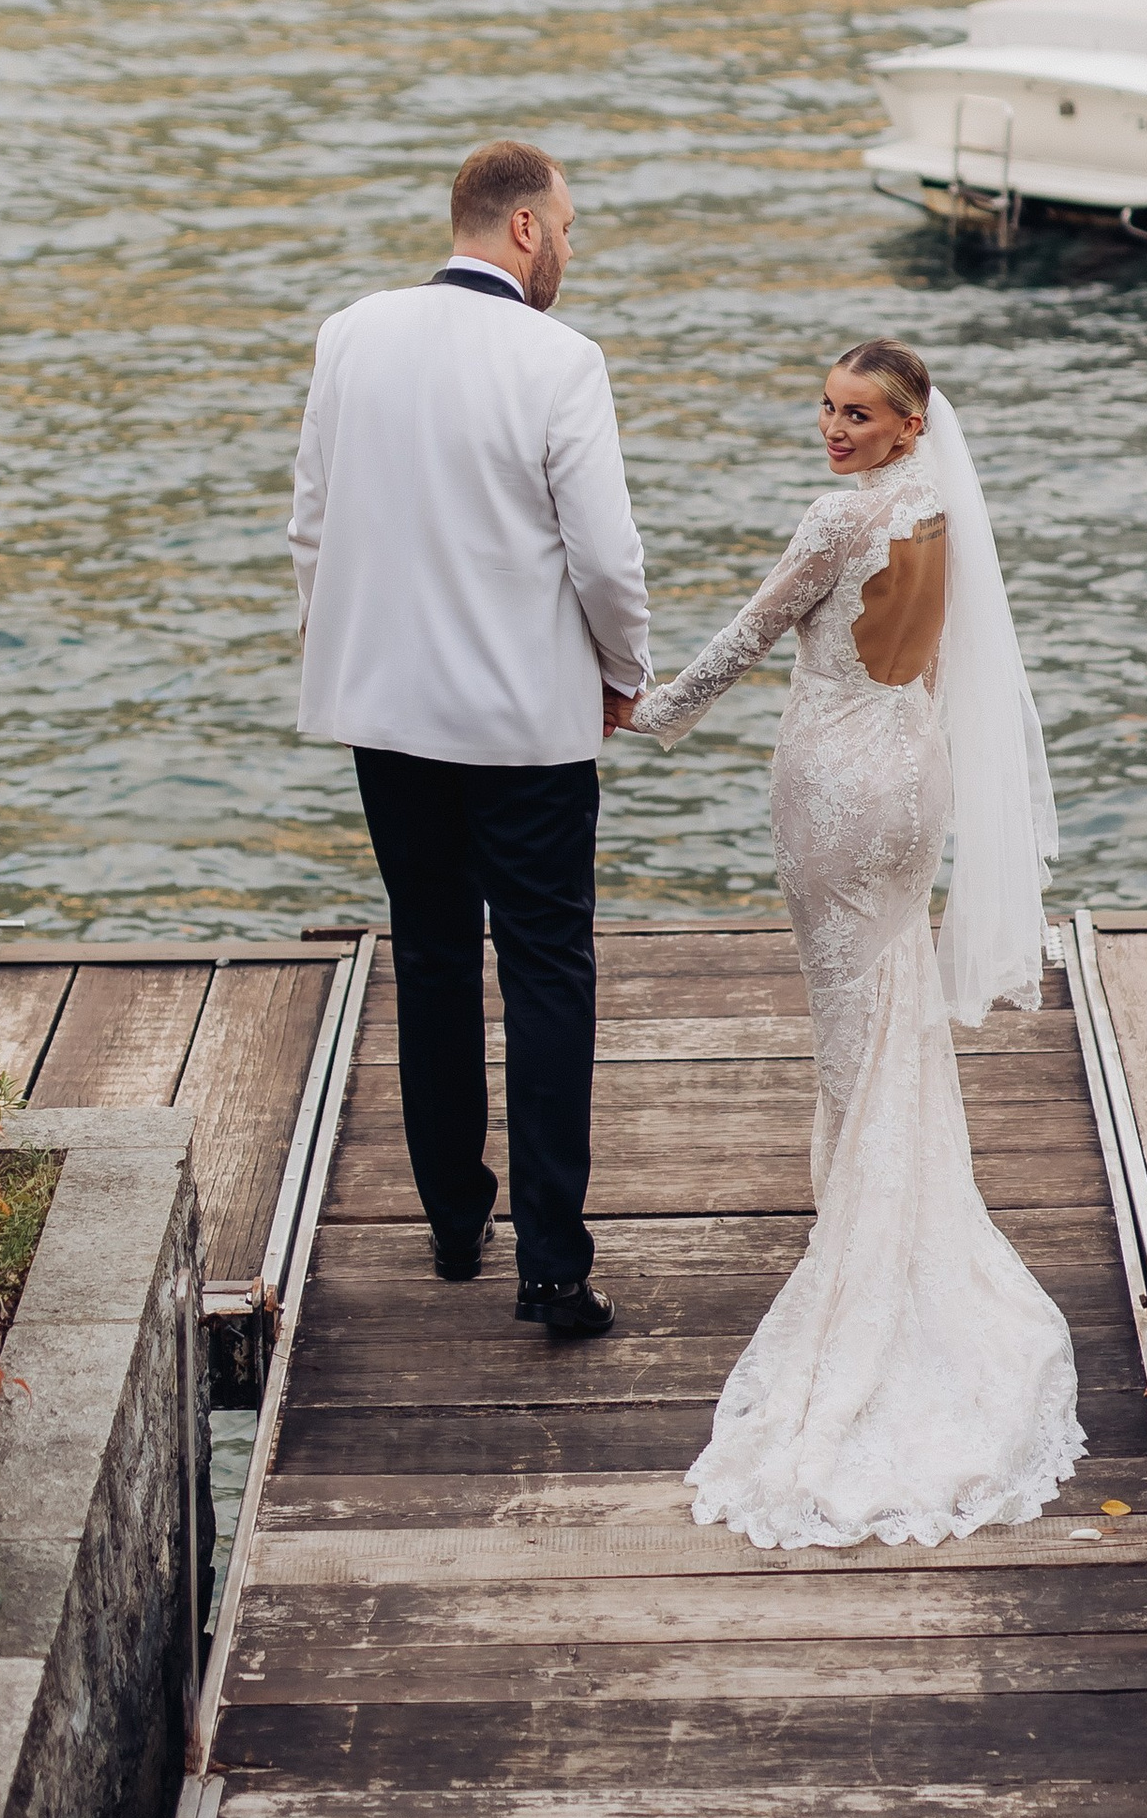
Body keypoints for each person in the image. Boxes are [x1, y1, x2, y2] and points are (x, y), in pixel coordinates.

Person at [627, 338, 1080, 1546]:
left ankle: (863, 1232)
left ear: (908, 424)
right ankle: (879, 1194)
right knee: (891, 994)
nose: (833, 427)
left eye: (859, 412)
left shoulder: (840, 518)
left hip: (835, 783)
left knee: (847, 1007)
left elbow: (746, 636)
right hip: (911, 774)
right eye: (827, 407)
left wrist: (647, 710)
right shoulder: (942, 511)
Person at [289, 140, 648, 1340]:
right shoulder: (560, 359)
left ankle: (454, 1220)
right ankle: (549, 1262)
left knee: (433, 954)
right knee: (546, 970)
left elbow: (313, 523)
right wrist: (623, 670)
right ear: (528, 230)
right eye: (569, 225)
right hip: (524, 725)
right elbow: (602, 555)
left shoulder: (351, 333)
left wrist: (337, 655)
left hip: (386, 715)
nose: (568, 248)